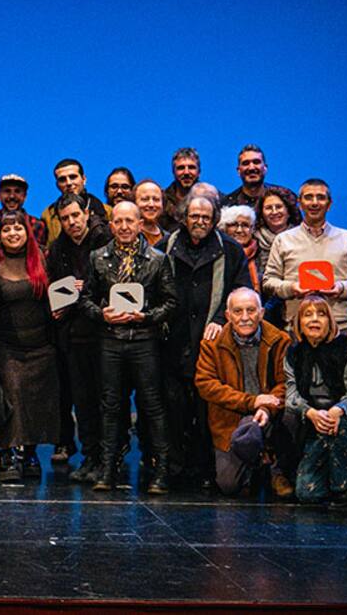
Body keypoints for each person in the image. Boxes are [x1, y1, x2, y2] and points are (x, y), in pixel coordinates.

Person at [78, 201, 176, 494]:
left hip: (145, 341)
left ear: (139, 224)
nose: (123, 227)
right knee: (109, 406)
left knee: (152, 406)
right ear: (111, 226)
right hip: (110, 341)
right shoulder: (98, 258)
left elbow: (171, 302)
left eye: (129, 221)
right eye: (118, 222)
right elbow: (85, 300)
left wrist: (147, 317)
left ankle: (161, 470)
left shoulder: (157, 259)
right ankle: (107, 469)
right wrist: (101, 313)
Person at [156, 195, 252, 488]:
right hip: (172, 342)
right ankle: (173, 469)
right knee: (172, 409)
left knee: (206, 411)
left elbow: (241, 292)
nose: (199, 222)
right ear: (184, 217)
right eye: (194, 216)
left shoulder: (230, 250)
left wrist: (222, 321)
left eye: (205, 217)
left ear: (214, 220)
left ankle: (205, 470)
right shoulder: (166, 247)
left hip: (211, 346)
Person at [195, 287, 294, 497]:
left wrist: (266, 408)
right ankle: (258, 463)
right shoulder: (212, 344)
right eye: (238, 311)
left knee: (293, 413)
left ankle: (275, 468)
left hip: (270, 416)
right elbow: (205, 384)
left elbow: (285, 383)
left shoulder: (280, 340)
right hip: (231, 419)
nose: (245, 318)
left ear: (261, 313)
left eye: (251, 310)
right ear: (228, 315)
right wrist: (251, 401)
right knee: (228, 485)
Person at [46, 192, 113, 482]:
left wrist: (79, 290)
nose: (71, 222)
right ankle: (89, 456)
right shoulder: (58, 248)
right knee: (82, 403)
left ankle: (107, 460)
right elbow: (55, 289)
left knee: (105, 401)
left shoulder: (104, 241)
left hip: (102, 335)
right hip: (73, 336)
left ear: (86, 212)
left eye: (75, 215)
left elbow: (110, 285)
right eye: (65, 218)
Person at [284, 295, 347, 511]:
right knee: (306, 494)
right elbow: (291, 394)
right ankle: (330, 476)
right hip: (312, 419)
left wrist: (338, 410)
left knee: (341, 431)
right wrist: (310, 412)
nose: (314, 320)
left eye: (321, 314)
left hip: (346, 415)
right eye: (308, 314)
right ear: (299, 323)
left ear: (330, 321)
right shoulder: (294, 352)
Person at [0, 210, 59, 481]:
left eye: (18, 228)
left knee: (36, 402)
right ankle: (8, 453)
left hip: (42, 345)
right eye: (7, 230)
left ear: (26, 231)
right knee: (12, 399)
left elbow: (56, 295)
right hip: (7, 346)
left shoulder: (42, 258)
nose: (13, 234)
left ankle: (30, 453)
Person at [263, 178, 347, 330]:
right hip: (296, 326)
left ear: (329, 204)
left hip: (337, 326)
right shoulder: (283, 240)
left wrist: (341, 288)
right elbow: (269, 281)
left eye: (321, 197)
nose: (314, 203)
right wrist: (292, 288)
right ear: (300, 203)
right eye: (308, 197)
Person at [41, 159, 109, 245]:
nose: (68, 183)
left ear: (84, 179)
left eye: (73, 177)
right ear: (57, 185)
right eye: (62, 179)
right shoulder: (48, 215)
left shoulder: (107, 210)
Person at [0, 174, 47, 250]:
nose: (12, 196)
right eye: (7, 191)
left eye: (17, 191)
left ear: (25, 196)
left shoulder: (37, 225)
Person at [222, 144, 298, 211]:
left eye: (256, 162)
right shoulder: (228, 204)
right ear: (238, 171)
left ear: (265, 168)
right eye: (246, 163)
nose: (251, 168)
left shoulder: (285, 197)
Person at [255, 188, 301, 273]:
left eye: (279, 207)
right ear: (262, 213)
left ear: (289, 210)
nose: (274, 212)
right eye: (268, 208)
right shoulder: (253, 240)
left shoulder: (302, 238)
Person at [219, 205, 261, 289]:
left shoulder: (261, 252)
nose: (239, 230)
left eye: (245, 225)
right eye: (233, 225)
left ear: (252, 229)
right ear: (224, 228)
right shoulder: (218, 253)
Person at [163, 148, 201, 229]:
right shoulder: (162, 201)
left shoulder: (213, 199)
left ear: (199, 172)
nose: (186, 172)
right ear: (173, 172)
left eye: (191, 167)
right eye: (181, 168)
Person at [134, 179, 168, 247]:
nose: (151, 205)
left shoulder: (170, 240)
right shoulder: (126, 235)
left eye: (156, 199)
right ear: (134, 203)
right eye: (145, 199)